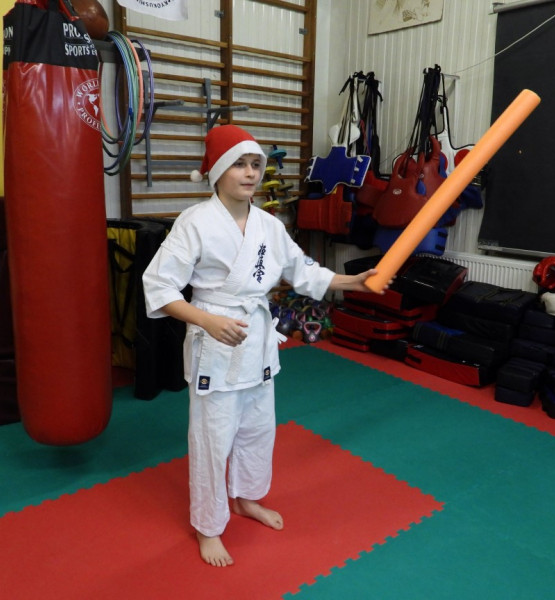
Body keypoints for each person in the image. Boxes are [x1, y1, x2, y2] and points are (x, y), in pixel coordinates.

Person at [142, 124, 389, 567]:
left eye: (256, 164)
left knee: (258, 429)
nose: (251, 173)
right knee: (213, 439)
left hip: (256, 343)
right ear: (218, 170)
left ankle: (246, 497)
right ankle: (208, 525)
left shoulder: (269, 226)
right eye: (239, 164)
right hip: (215, 344)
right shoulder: (194, 222)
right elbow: (159, 287)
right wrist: (208, 321)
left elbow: (304, 271)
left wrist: (354, 282)